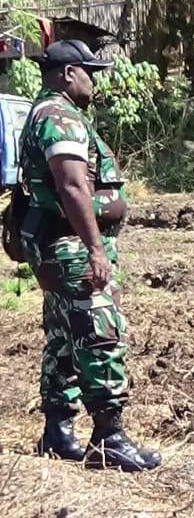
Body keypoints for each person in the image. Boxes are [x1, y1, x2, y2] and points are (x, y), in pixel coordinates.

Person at [20, 39, 160, 471]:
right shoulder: (60, 118)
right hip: (72, 248)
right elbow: (73, 186)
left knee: (63, 338)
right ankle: (109, 438)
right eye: (89, 72)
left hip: (56, 248)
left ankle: (58, 432)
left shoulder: (45, 113)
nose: (93, 81)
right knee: (100, 336)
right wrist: (95, 249)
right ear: (68, 73)